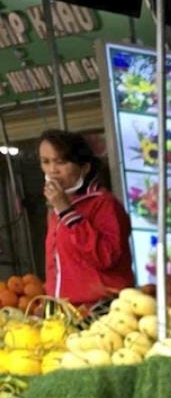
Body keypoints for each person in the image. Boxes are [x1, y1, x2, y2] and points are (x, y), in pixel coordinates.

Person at [39, 130, 135, 307]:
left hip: (102, 310)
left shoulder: (104, 203)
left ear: (84, 167)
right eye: (46, 162)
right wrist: (50, 300)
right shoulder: (55, 210)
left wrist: (67, 212)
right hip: (66, 310)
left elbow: (105, 257)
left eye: (61, 162)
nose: (52, 170)